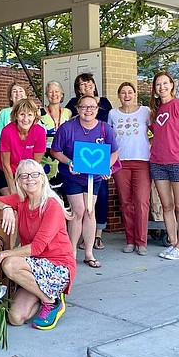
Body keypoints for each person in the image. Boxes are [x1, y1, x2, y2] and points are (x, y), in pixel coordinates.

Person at [0, 159, 76, 330]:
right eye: (24, 175)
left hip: (57, 266)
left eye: (34, 174)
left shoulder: (51, 205)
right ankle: (44, 295)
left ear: (42, 178)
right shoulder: (20, 200)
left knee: (9, 264)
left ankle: (52, 301)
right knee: (15, 318)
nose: (30, 179)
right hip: (33, 266)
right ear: (18, 180)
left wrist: (4, 253)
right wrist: (6, 208)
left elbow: (37, 247)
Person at [51, 95, 118, 268]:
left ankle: (89, 253)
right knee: (78, 211)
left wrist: (107, 167)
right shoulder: (67, 128)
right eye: (84, 107)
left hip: (94, 177)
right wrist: (69, 162)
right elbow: (55, 151)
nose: (88, 110)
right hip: (72, 175)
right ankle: (71, 252)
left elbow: (114, 152)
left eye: (92, 107)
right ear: (78, 108)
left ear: (97, 109)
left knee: (90, 211)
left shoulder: (105, 129)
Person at [149, 71, 179, 261]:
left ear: (171, 85)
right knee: (166, 206)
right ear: (154, 89)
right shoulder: (154, 111)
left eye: (165, 83)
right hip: (158, 163)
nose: (162, 87)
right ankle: (172, 242)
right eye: (158, 84)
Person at [66, 72, 113, 251]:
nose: (86, 86)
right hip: (80, 157)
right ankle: (76, 240)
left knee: (100, 197)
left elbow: (109, 129)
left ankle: (96, 236)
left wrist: (108, 164)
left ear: (94, 84)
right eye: (82, 84)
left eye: (89, 83)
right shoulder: (72, 104)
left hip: (100, 157)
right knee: (80, 206)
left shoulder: (105, 103)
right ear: (78, 89)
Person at [108, 82, 151, 255]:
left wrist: (153, 145)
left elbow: (157, 130)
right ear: (119, 95)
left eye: (130, 92)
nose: (127, 95)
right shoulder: (113, 114)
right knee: (126, 203)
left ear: (135, 94)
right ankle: (130, 240)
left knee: (141, 202)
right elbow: (109, 138)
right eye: (123, 92)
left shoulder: (145, 111)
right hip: (121, 162)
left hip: (142, 161)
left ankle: (141, 242)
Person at [0, 99, 46, 196]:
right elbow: (5, 164)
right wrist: (13, 188)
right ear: (16, 116)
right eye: (22, 114)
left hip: (26, 171)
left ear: (35, 116)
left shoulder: (40, 132)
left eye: (30, 115)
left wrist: (26, 184)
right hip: (5, 169)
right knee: (12, 197)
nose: (26, 119)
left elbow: (34, 164)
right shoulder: (7, 131)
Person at [39, 80, 71, 187]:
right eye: (50, 92)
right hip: (45, 156)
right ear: (46, 95)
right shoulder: (39, 112)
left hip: (63, 155)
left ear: (61, 94)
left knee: (65, 190)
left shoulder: (68, 112)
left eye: (57, 91)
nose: (54, 94)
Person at [0, 81, 27, 149]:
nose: (18, 94)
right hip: (8, 153)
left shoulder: (32, 112)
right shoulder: (4, 113)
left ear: (26, 96)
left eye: (20, 91)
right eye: (14, 91)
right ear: (10, 97)